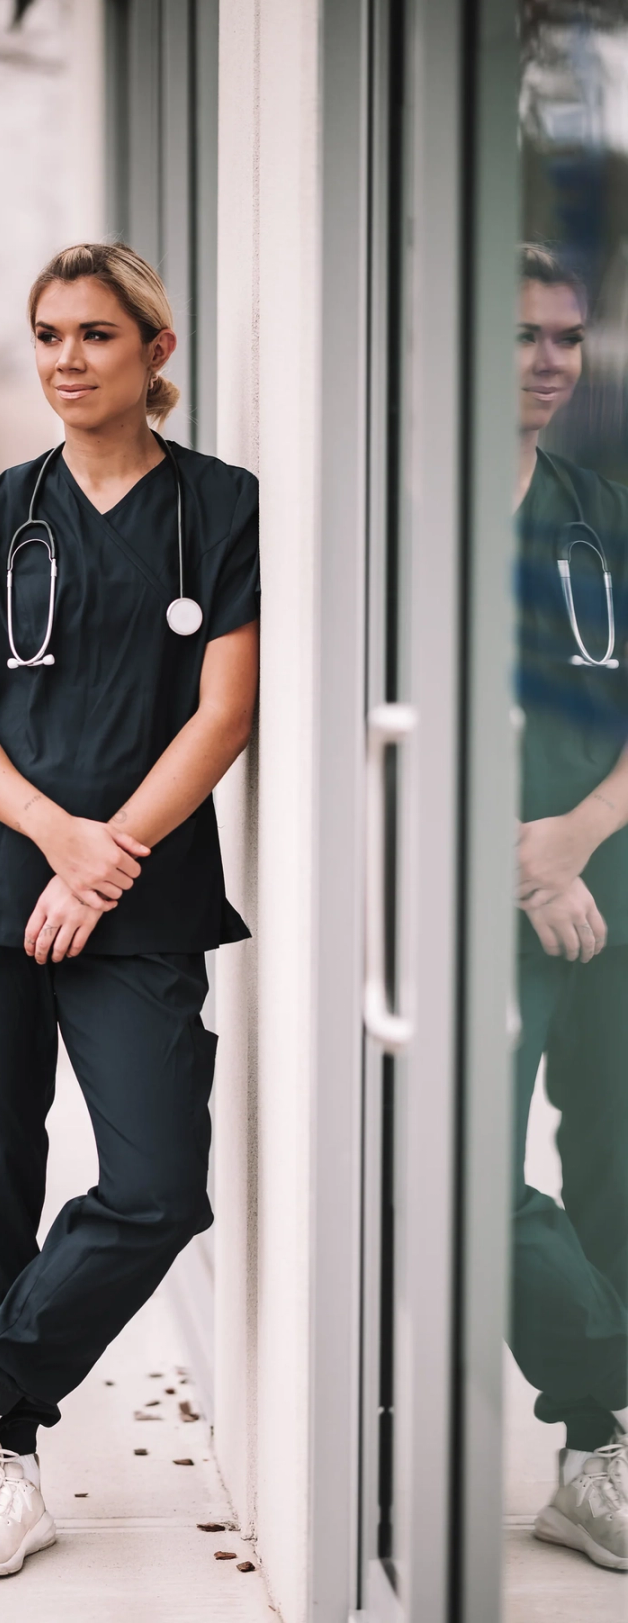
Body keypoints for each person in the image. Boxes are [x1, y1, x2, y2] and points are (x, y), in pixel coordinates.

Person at [0, 243, 260, 1579]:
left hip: (141, 904)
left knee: (155, 1185)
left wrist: (114, 858)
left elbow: (225, 710)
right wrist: (57, 836)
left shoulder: (219, 508)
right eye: (47, 334)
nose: (64, 358)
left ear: (157, 354)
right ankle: (6, 1474)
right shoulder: (3, 508)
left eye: (97, 334)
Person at [512, 243, 628, 1570]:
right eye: (523, 335)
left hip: (607, 874)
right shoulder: (414, 522)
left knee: (614, 1157)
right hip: (473, 890)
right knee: (474, 1175)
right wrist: (512, 858)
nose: (549, 360)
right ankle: (616, 1379)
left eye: (565, 337)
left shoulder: (602, 513)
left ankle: (595, 1453)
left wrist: (578, 838)